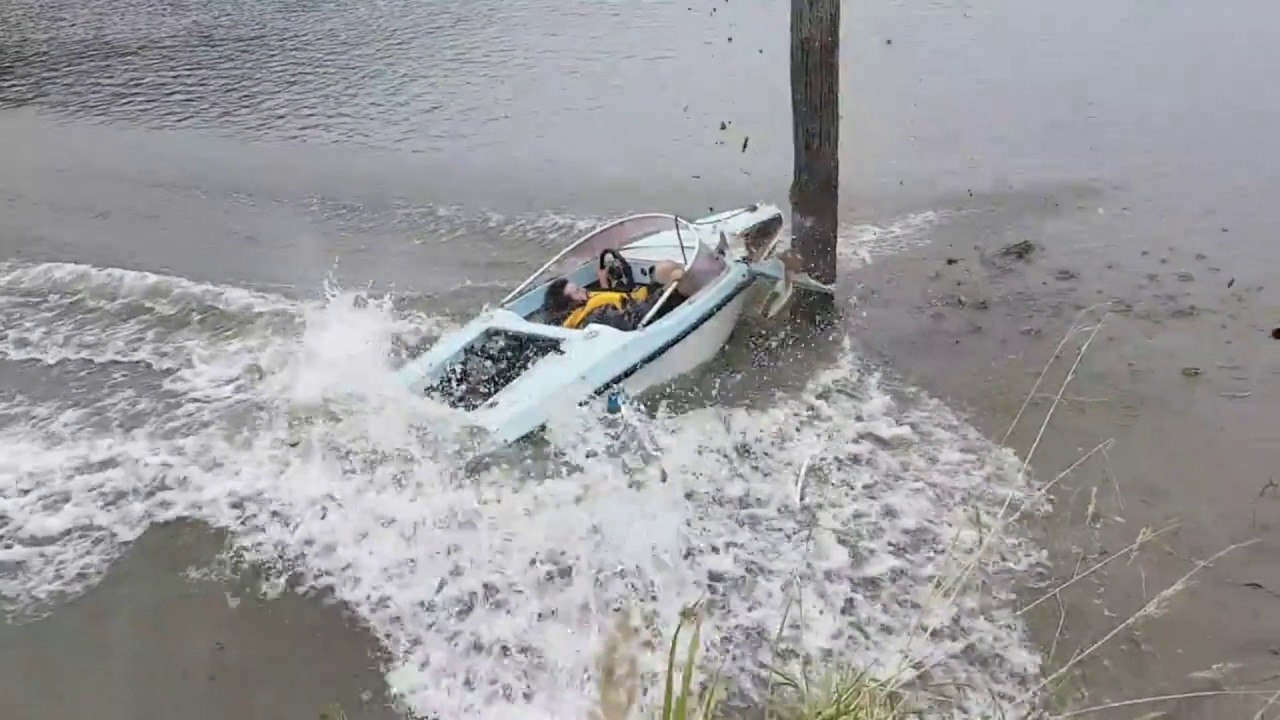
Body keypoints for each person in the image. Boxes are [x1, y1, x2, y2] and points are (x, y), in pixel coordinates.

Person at [543, 264, 686, 330]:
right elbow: (640, 316)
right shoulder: (598, 317)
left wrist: (604, 283)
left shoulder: (571, 320)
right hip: (649, 319)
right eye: (577, 290)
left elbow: (604, 304)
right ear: (575, 302)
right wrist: (668, 287)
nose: (584, 289)